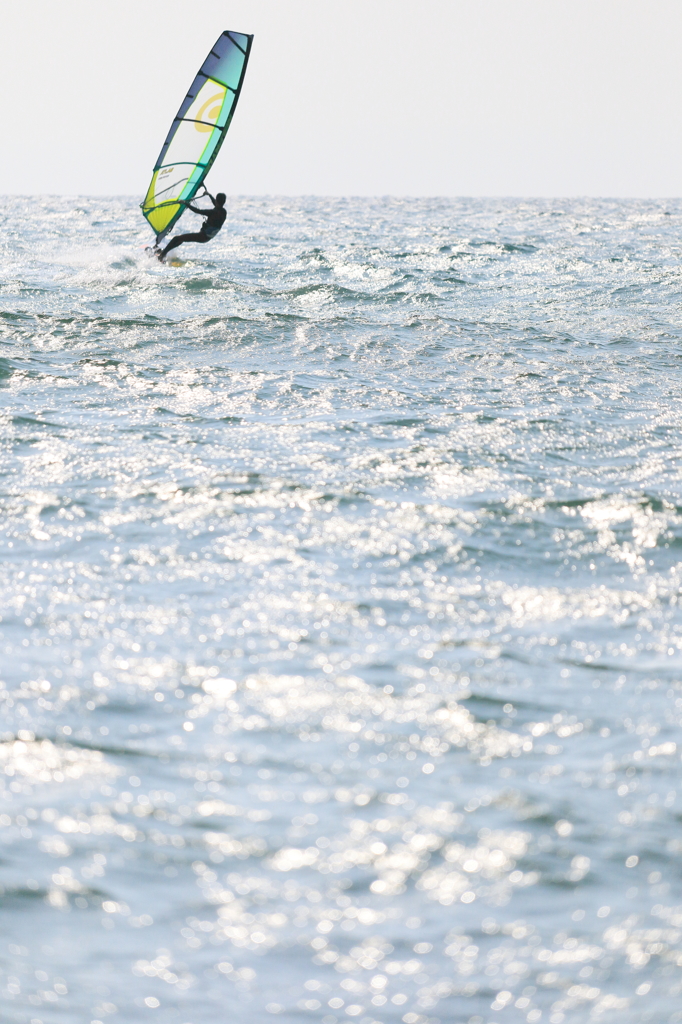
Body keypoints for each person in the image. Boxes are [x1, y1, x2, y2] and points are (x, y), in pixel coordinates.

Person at [157, 192, 227, 260]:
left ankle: (162, 255)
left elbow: (197, 211)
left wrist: (186, 203)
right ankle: (164, 252)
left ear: (217, 200)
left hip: (202, 236)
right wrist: (209, 195)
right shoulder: (223, 212)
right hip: (207, 237)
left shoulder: (213, 212)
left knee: (176, 239)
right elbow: (217, 204)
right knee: (180, 240)